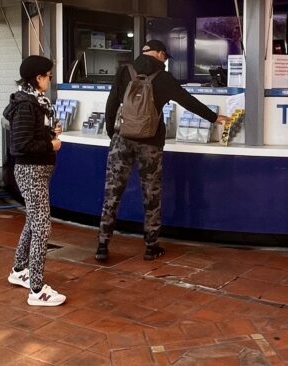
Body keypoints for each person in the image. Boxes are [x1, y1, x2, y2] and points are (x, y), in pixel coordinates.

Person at [96, 39, 226, 263]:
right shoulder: (163, 77)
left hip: (122, 139)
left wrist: (113, 134)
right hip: (151, 143)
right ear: (157, 54)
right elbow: (188, 101)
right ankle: (151, 246)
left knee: (112, 194)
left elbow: (111, 104)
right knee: (151, 195)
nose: (165, 61)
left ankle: (102, 245)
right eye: (164, 56)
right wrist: (214, 117)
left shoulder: (123, 71)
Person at [4, 55, 66, 306]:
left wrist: (50, 132)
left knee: (33, 220)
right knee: (42, 226)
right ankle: (37, 290)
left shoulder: (36, 102)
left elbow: (30, 135)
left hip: (38, 170)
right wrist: (50, 144)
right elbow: (20, 145)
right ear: (38, 77)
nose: (50, 80)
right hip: (31, 171)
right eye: (49, 75)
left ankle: (19, 270)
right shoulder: (26, 105)